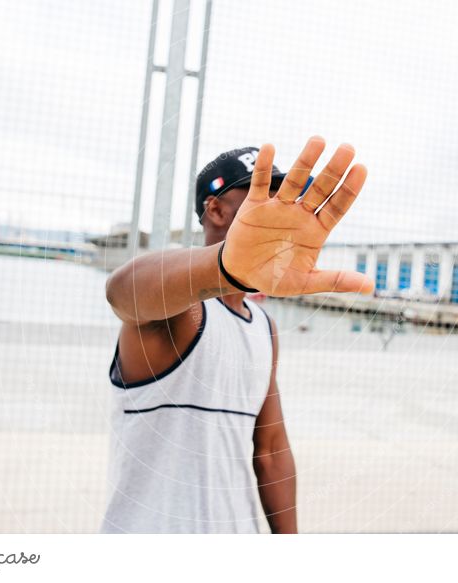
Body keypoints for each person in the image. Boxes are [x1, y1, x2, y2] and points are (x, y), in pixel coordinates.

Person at [101, 137, 373, 533]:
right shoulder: (184, 310)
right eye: (262, 198)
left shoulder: (263, 326)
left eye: (287, 200)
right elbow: (123, 293)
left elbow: (271, 450)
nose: (281, 212)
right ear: (215, 209)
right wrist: (226, 270)